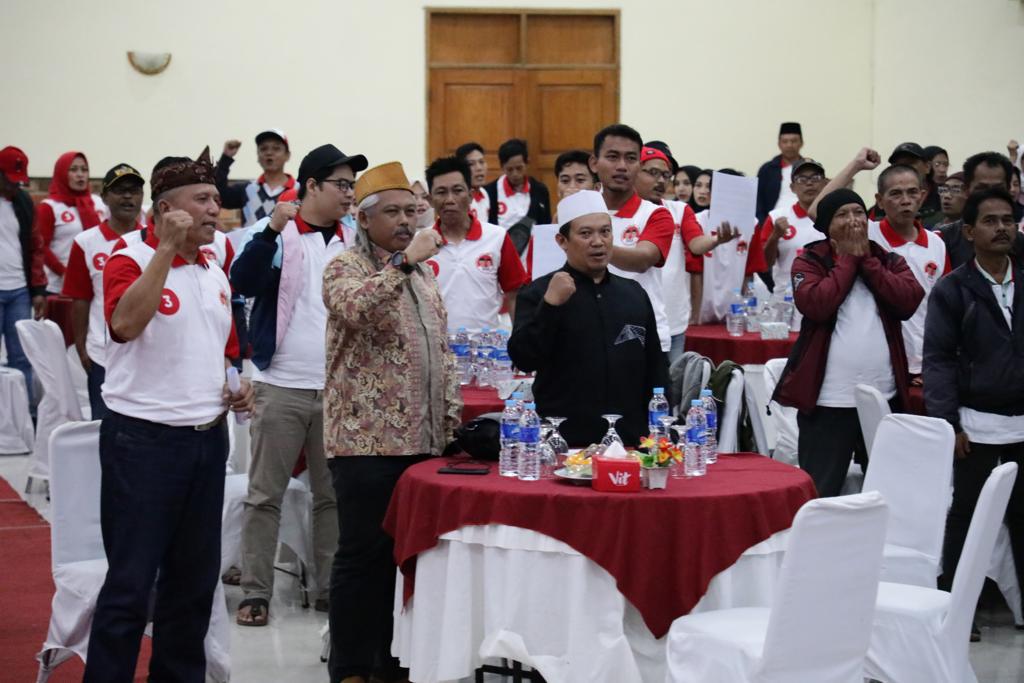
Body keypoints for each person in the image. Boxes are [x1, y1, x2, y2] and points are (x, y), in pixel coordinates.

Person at [84, 148, 253, 682]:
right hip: (144, 444)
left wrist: (237, 386)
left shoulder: (213, 268)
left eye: (217, 199)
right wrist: (164, 250)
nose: (215, 209)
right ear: (164, 209)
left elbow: (224, 349)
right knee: (131, 584)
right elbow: (124, 325)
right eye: (202, 199)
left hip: (206, 440)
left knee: (193, 585)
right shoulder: (128, 257)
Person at [322, 162, 461, 683]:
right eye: (393, 212)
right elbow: (357, 309)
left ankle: (396, 665)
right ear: (364, 219)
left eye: (411, 211)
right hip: (366, 444)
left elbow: (440, 351)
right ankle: (352, 669)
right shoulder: (345, 267)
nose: (406, 221)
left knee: (412, 561)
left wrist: (450, 426)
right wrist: (404, 262)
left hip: (424, 443)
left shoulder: (422, 274)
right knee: (363, 559)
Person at [229, 143, 366, 627]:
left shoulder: (353, 242)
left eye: (352, 186)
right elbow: (242, 281)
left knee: (332, 497)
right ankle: (255, 591)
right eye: (341, 185)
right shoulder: (278, 235)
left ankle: (331, 589)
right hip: (281, 384)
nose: (349, 194)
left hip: (337, 388)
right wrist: (270, 230)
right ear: (311, 186)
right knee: (264, 494)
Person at [771, 189, 923, 497]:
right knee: (820, 491)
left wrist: (868, 262)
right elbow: (817, 305)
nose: (853, 220)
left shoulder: (887, 259)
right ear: (827, 227)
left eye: (859, 212)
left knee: (888, 490)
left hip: (884, 395)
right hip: (829, 400)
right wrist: (849, 260)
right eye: (842, 214)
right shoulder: (809, 261)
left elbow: (908, 301)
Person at [924, 187, 1024, 638]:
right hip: (975, 423)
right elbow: (938, 360)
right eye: (990, 221)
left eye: (1008, 220)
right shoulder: (952, 289)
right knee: (966, 516)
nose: (1001, 228)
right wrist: (949, 423)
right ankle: (957, 610)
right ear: (968, 231)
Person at [509, 190, 669, 447]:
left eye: (605, 232)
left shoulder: (633, 294)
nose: (598, 242)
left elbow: (656, 368)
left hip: (630, 442)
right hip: (565, 441)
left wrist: (661, 431)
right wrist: (550, 306)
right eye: (586, 234)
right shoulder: (539, 292)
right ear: (562, 241)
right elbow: (524, 359)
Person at [62, 163, 145, 419]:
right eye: (120, 191)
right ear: (105, 197)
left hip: (146, 354)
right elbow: (80, 298)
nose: (128, 197)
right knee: (104, 426)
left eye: (134, 191)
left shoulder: (155, 241)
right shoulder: (85, 242)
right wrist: (82, 346)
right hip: (103, 354)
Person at [589, 124, 675, 354]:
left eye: (630, 158)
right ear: (594, 163)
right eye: (612, 157)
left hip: (642, 337)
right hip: (588, 334)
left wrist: (589, 247)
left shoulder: (656, 214)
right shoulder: (576, 212)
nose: (622, 166)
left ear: (638, 166)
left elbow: (642, 259)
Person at [424, 155, 528, 331]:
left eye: (457, 190)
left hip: (487, 346)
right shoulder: (421, 243)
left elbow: (514, 294)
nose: (450, 199)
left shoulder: (497, 237)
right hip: (437, 346)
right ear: (430, 200)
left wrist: (521, 340)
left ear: (471, 195)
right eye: (441, 192)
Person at [867, 165, 950, 381]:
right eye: (896, 194)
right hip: (881, 361)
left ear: (922, 196)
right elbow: (817, 211)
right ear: (879, 200)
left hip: (925, 361)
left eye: (912, 192)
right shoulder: (868, 234)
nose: (905, 200)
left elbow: (944, 308)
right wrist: (857, 164)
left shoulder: (937, 243)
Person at [634, 145, 708, 363]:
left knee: (672, 380)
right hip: (634, 316)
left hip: (673, 315)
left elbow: (696, 245)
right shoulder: (616, 212)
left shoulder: (679, 210)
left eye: (666, 176)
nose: (660, 181)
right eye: (653, 173)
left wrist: (716, 239)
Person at [0, 146, 47, 401]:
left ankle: (26, 414)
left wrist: (38, 290)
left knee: (21, 357)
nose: (14, 186)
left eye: (18, 182)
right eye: (9, 180)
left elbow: (36, 246)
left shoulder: (24, 202)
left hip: (19, 291)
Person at [694, 169, 766, 323]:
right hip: (700, 312)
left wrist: (744, 313)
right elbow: (693, 272)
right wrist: (694, 316)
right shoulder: (697, 222)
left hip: (735, 315)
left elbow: (749, 273)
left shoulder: (752, 224)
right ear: (710, 195)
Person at [938, 151, 1024, 270]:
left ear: (1009, 190)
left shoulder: (1019, 243)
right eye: (982, 189)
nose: (990, 196)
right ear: (966, 190)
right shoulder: (943, 240)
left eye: (998, 189)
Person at [36, 151, 107, 293]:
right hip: (59, 285)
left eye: (84, 170)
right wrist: (63, 272)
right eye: (73, 170)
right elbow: (41, 247)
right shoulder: (50, 207)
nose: (80, 175)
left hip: (94, 282)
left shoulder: (98, 203)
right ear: (62, 173)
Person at [760, 158, 828, 297]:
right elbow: (765, 264)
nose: (809, 183)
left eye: (815, 178)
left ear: (825, 183)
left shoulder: (835, 217)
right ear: (792, 187)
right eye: (802, 179)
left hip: (826, 297)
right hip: (786, 300)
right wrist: (775, 236)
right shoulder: (776, 218)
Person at [216, 129, 295, 226]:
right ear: (258, 156)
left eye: (276, 148)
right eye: (263, 149)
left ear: (287, 155)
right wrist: (226, 158)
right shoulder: (247, 189)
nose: (269, 153)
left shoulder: (299, 190)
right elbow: (219, 196)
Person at [485, 138, 551, 228]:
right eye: (510, 169)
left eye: (519, 168)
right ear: (502, 167)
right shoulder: (489, 192)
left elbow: (546, 225)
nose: (515, 174)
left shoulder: (540, 190)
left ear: (527, 163)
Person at [755, 122, 804, 222]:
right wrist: (762, 222)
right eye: (785, 141)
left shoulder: (809, 168)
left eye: (794, 141)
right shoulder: (767, 169)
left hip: (804, 220)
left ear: (801, 143)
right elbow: (758, 199)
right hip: (773, 221)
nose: (789, 145)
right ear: (779, 144)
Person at [455, 141, 490, 220]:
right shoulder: (458, 198)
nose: (479, 168)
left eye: (481, 162)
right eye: (471, 164)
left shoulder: (484, 193)